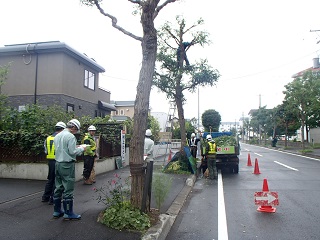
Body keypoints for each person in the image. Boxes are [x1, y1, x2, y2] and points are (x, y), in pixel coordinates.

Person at [52, 119, 86, 220]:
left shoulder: (57, 135)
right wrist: (82, 148)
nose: (76, 131)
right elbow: (72, 152)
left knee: (58, 187)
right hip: (67, 165)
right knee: (68, 188)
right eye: (76, 129)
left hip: (58, 163)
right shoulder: (70, 136)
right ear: (74, 127)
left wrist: (76, 147)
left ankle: (57, 211)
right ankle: (68, 213)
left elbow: (62, 149)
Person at [41, 121, 66, 205]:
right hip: (58, 161)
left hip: (50, 161)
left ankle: (45, 197)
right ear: (62, 129)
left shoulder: (48, 138)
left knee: (50, 179)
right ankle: (53, 198)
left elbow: (45, 151)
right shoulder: (60, 138)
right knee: (57, 180)